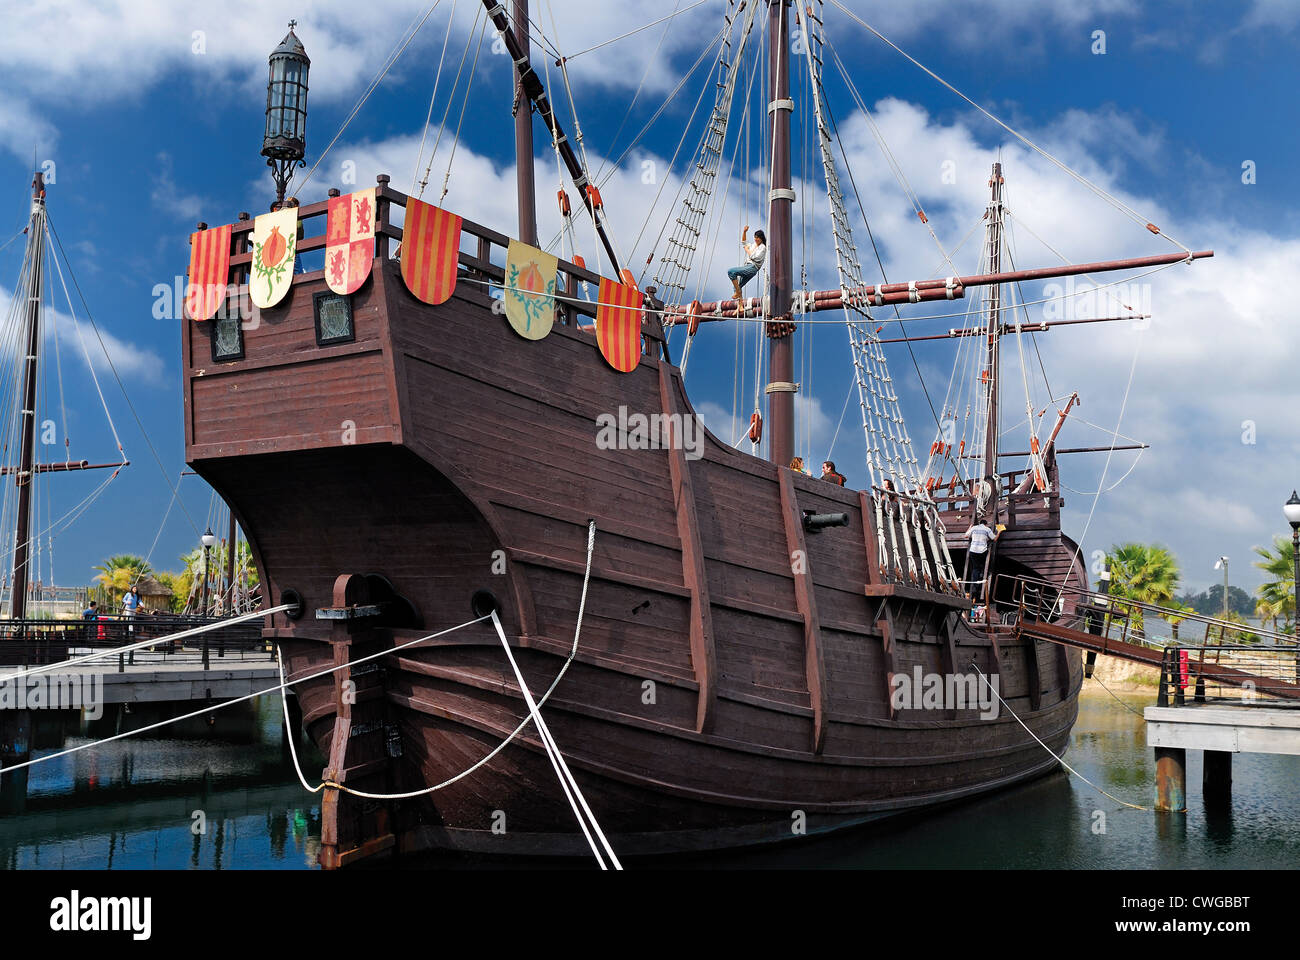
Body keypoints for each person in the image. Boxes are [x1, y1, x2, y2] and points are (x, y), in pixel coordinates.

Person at [963, 518, 1000, 601]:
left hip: (973, 551)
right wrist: (999, 531)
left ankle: (975, 584)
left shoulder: (974, 528)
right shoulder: (987, 529)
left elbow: (965, 535)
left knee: (975, 568)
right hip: (981, 551)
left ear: (979, 523)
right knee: (982, 565)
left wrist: (970, 527)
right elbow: (994, 539)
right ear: (986, 524)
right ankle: (982, 574)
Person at [726, 227, 767, 301]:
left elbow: (755, 257)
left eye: (757, 238)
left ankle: (738, 292)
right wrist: (744, 232)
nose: (755, 239)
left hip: (753, 267)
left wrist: (746, 249)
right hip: (748, 266)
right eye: (755, 237)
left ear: (761, 238)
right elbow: (744, 242)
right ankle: (740, 306)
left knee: (731, 272)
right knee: (736, 287)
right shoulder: (754, 245)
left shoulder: (763, 247)